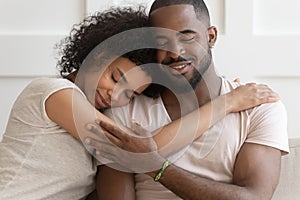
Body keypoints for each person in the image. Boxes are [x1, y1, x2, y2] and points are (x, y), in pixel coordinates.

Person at [87, 1, 289, 199]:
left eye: (187, 37)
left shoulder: (259, 107)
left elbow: (255, 196)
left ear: (211, 37)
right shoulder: (125, 109)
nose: (175, 53)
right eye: (161, 42)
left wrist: (155, 166)